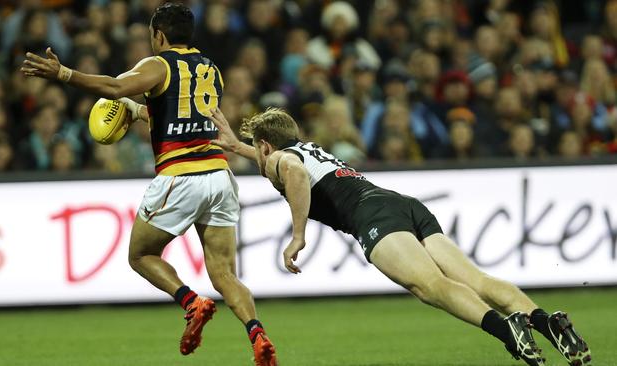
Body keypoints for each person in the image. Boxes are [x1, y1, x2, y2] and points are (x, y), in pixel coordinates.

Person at [208, 107, 593, 366]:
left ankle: (506, 330)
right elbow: (280, 162)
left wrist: (297, 235)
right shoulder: (305, 149)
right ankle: (546, 322)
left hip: (370, 215)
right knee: (475, 278)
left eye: (257, 151)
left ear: (265, 146)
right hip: (402, 204)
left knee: (430, 287)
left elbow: (288, 172)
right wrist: (234, 146)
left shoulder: (281, 159)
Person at [20, 3, 277, 365]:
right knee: (223, 273)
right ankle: (257, 334)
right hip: (219, 175)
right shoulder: (211, 69)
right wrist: (141, 111)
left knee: (140, 255)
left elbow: (113, 86)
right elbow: (179, 116)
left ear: (158, 34)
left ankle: (191, 302)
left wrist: (63, 73)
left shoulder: (159, 64)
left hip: (180, 177)